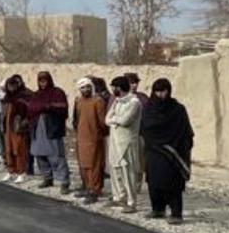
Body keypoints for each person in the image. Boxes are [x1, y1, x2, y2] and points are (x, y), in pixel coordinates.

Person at [140, 78, 194, 224]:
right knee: (154, 182)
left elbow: (185, 132)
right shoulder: (149, 108)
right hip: (154, 151)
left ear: (169, 91)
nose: (160, 95)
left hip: (173, 152)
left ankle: (176, 213)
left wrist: (179, 146)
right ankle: (158, 209)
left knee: (172, 183)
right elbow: (144, 127)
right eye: (157, 91)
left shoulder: (178, 109)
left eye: (163, 91)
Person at [28, 71, 71, 193]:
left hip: (52, 128)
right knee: (39, 154)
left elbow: (62, 107)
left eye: (45, 80)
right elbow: (31, 108)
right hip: (37, 128)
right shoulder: (36, 94)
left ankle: (64, 182)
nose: (43, 83)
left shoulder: (57, 92)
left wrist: (48, 107)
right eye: (40, 81)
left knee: (56, 156)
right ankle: (47, 178)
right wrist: (42, 107)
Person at [106, 75, 142, 213]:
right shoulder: (117, 101)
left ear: (119, 87)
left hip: (127, 142)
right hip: (115, 141)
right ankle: (118, 197)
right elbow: (106, 119)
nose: (112, 89)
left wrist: (115, 120)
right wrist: (116, 120)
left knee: (128, 172)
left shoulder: (134, 102)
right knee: (115, 170)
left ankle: (131, 201)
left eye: (114, 87)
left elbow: (126, 121)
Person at [73, 77, 108, 204]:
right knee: (84, 164)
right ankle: (88, 187)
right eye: (82, 87)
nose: (85, 89)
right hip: (82, 137)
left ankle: (95, 190)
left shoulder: (98, 101)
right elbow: (76, 119)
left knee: (95, 165)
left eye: (88, 86)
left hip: (94, 137)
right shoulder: (78, 101)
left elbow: (102, 122)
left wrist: (100, 134)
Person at [0, 75, 32, 183]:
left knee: (18, 150)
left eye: (13, 85)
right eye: (9, 85)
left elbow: (29, 113)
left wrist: (23, 123)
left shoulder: (23, 97)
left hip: (18, 128)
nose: (11, 88)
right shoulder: (6, 98)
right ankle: (11, 171)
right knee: (8, 151)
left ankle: (21, 172)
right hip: (7, 129)